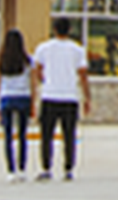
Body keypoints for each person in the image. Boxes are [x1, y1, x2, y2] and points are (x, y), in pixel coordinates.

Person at [30, 16, 91, 182]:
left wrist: (43, 81)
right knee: (69, 135)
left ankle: (46, 168)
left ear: (54, 29)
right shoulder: (77, 50)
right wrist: (87, 97)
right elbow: (83, 75)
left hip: (49, 96)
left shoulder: (43, 48)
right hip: (70, 97)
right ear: (70, 30)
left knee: (46, 135)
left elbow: (37, 70)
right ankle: (68, 169)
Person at [0, 29, 33, 180]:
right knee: (22, 135)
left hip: (7, 98)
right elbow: (32, 83)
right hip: (23, 97)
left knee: (8, 136)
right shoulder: (27, 61)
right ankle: (22, 168)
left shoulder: (1, 60)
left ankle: (11, 170)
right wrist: (33, 102)